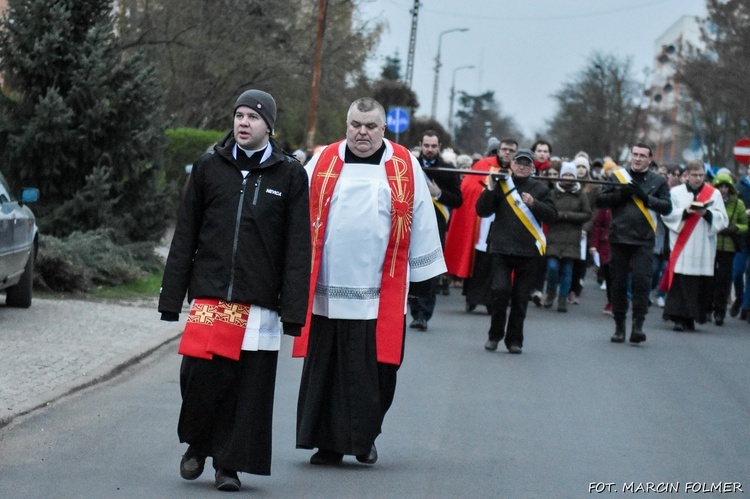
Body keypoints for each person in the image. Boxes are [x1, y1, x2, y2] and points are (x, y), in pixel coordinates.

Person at [158, 89, 311, 491]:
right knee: (200, 376)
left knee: (247, 388)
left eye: (253, 117)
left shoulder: (291, 175)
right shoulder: (210, 166)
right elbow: (185, 235)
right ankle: (197, 445)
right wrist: (171, 298)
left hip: (258, 300)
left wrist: (294, 311)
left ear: (269, 126)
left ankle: (229, 465)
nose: (243, 123)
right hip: (212, 295)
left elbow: (298, 248)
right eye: (239, 115)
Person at [293, 97, 446, 465]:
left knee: (376, 371)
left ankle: (365, 437)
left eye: (370, 126)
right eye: (356, 125)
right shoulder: (323, 160)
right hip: (328, 288)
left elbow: (423, 219)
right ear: (347, 125)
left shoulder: (404, 165)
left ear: (383, 128)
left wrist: (424, 280)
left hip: (381, 291)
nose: (362, 133)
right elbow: (299, 216)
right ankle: (326, 444)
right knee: (326, 370)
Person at [476, 149, 557, 354]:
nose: (521, 166)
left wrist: (534, 203)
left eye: (526, 164)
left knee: (521, 299)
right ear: (511, 164)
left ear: (532, 167)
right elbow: (482, 210)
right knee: (500, 292)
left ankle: (515, 340)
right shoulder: (501, 184)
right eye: (518, 163)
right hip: (501, 249)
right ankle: (494, 336)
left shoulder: (540, 188)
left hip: (528, 252)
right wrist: (490, 188)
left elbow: (552, 216)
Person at [595, 143, 671, 344]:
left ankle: (638, 326)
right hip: (619, 237)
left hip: (644, 240)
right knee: (618, 283)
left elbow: (667, 207)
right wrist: (621, 194)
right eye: (635, 155)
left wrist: (646, 198)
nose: (637, 159)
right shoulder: (617, 176)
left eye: (642, 156)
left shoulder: (658, 181)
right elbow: (600, 200)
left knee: (641, 282)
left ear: (649, 159)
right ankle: (619, 327)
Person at [662, 160, 728, 331]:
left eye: (701, 175)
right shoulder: (676, 193)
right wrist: (685, 212)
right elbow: (667, 214)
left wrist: (706, 213)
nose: (698, 179)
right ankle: (678, 317)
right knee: (681, 281)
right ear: (687, 175)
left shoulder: (713, 194)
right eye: (694, 175)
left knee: (698, 284)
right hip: (683, 244)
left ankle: (691, 317)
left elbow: (723, 219)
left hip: (703, 245)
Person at [408, 130, 462, 330]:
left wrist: (439, 194)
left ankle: (424, 313)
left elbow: (458, 200)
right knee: (412, 269)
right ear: (420, 144)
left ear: (439, 147)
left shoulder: (448, 169)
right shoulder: (410, 166)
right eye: (426, 145)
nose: (429, 150)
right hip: (412, 223)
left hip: (437, 225)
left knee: (430, 270)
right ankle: (414, 311)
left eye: (433, 146)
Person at [544, 162, 592, 312]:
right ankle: (551, 291)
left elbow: (587, 214)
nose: (568, 178)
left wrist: (567, 216)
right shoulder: (552, 192)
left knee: (567, 270)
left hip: (572, 236)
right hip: (554, 234)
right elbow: (547, 211)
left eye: (571, 175)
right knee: (552, 267)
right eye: (565, 174)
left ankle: (563, 298)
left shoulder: (581, 194)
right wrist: (558, 216)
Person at [711, 172, 747, 325]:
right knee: (709, 278)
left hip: (729, 247)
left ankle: (720, 312)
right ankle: (706, 308)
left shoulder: (738, 203)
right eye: (720, 186)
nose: (723, 189)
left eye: (726, 186)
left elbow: (745, 225)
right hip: (712, 244)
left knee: (724, 280)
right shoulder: (711, 201)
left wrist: (735, 228)